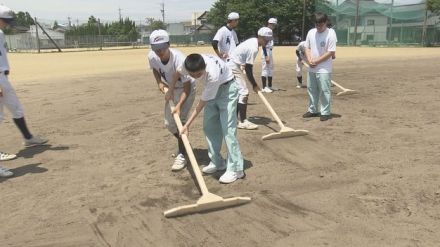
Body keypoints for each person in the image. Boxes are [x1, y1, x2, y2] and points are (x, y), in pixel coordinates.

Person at [175, 54, 244, 184]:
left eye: (198, 74)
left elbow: (201, 104)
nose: (195, 77)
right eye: (192, 75)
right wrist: (170, 90)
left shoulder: (212, 74)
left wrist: (187, 125)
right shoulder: (187, 65)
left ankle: (236, 168)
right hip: (213, 91)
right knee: (209, 127)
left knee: (228, 130)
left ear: (204, 68)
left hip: (227, 90)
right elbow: (177, 72)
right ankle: (218, 162)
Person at [0, 5, 48, 177]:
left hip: (2, 77)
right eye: (5, 21)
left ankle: (28, 138)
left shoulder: (0, 33)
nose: (7, 24)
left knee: (16, 108)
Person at [148, 29, 196, 171]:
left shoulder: (180, 59)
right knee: (169, 124)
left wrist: (179, 105)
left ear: (168, 44)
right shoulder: (152, 56)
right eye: (156, 48)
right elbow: (155, 69)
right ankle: (185, 143)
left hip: (187, 89)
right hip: (171, 88)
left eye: (162, 48)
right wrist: (160, 83)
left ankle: (182, 154)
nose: (159, 52)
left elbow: (187, 87)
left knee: (180, 121)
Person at [227, 27, 273, 130]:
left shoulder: (254, 41)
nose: (268, 41)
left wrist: (242, 65)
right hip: (233, 65)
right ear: (260, 37)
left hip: (234, 63)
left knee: (239, 92)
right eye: (266, 39)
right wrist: (254, 85)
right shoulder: (254, 48)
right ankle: (243, 121)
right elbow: (248, 70)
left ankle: (235, 119)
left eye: (269, 39)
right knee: (244, 92)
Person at [303, 12, 337, 122]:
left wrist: (316, 61)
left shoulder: (331, 33)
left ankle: (325, 112)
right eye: (316, 24)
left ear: (326, 22)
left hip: (324, 68)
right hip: (312, 66)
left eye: (321, 25)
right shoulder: (311, 32)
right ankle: (312, 110)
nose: (318, 27)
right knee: (312, 89)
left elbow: (331, 52)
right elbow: (307, 48)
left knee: (324, 90)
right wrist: (309, 59)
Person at [261, 18, 277, 93]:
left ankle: (270, 86)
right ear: (270, 24)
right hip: (266, 51)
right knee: (265, 68)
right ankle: (264, 87)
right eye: (273, 25)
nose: (274, 26)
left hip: (269, 51)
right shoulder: (267, 31)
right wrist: (266, 55)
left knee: (270, 68)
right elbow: (263, 44)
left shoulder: (269, 31)